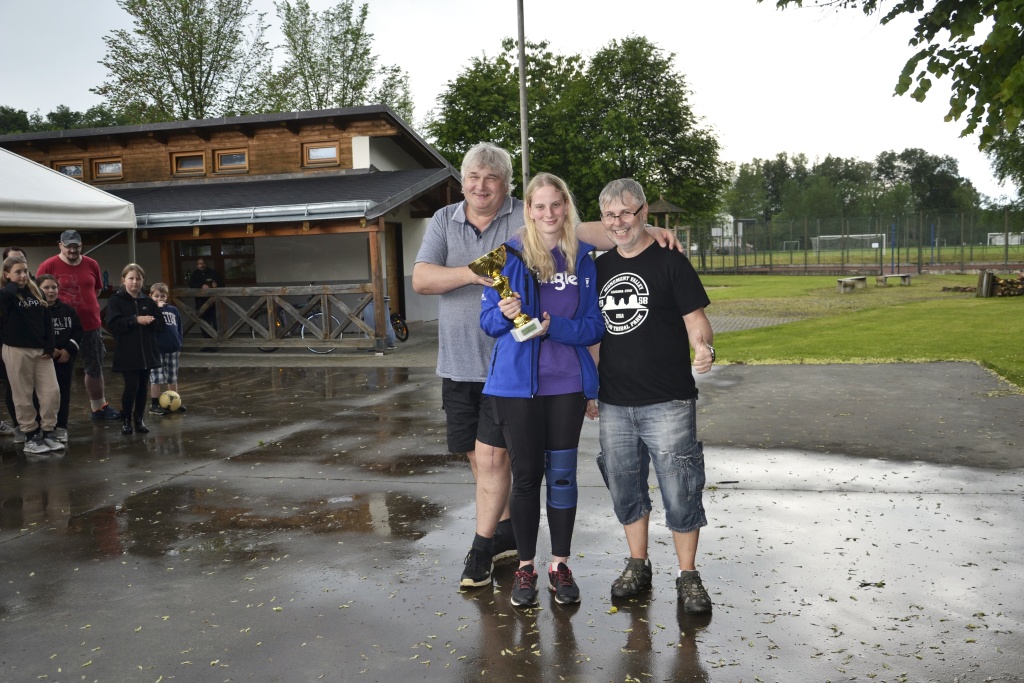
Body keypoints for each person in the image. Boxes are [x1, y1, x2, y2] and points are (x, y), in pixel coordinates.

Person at [412, 142, 683, 588]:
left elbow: (600, 236)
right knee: (490, 465)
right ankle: (507, 552)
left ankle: (538, 558)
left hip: (547, 378)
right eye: (473, 177)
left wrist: (647, 228)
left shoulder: (564, 243)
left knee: (536, 471)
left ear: (509, 189)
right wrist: (481, 275)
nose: (481, 186)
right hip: (474, 367)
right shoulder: (467, 230)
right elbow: (429, 283)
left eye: (492, 178)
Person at [592, 178, 716, 614]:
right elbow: (594, 335)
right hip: (613, 402)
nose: (618, 222)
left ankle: (688, 575)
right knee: (624, 486)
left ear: (643, 213)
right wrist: (591, 389)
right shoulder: (598, 269)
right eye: (610, 215)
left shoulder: (671, 262)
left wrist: (704, 348)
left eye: (626, 212)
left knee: (681, 488)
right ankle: (637, 564)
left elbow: (696, 321)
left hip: (668, 401)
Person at [479, 173, 603, 607]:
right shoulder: (505, 256)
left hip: (566, 383)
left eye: (556, 204)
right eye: (540, 206)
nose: (548, 213)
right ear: (528, 211)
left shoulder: (583, 258)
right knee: (527, 476)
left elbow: (595, 325)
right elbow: (487, 323)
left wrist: (555, 328)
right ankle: (527, 567)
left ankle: (560, 565)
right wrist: (504, 311)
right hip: (516, 388)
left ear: (566, 207)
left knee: (563, 476)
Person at [36, 230, 122, 420]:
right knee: (56, 368)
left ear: (81, 245)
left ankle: (98, 407)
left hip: (90, 325)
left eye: (76, 246)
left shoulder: (92, 264)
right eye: (69, 247)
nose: (73, 250)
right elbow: (38, 294)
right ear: (60, 245)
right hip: (60, 327)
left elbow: (96, 290)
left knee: (94, 365)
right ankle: (54, 413)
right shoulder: (48, 265)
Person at [0, 255, 63, 455]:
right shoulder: (7, 294)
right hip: (16, 350)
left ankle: (48, 432)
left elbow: (47, 321)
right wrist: (13, 285)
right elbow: (3, 300)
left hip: (41, 351)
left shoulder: (36, 292)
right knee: (23, 394)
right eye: (17, 272)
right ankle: (29, 436)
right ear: (6, 274)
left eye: (25, 271)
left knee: (52, 392)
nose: (23, 275)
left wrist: (50, 346)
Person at [106, 264, 165, 435]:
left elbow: (160, 324)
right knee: (131, 385)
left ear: (142, 281)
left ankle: (139, 419)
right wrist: (135, 320)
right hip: (128, 351)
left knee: (143, 387)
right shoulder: (116, 300)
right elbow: (113, 324)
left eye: (138, 279)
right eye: (131, 278)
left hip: (147, 351)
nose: (135, 282)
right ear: (123, 280)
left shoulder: (148, 301)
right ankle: (126, 419)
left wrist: (151, 321)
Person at [37, 274, 83, 443]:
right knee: (43, 394)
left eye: (54, 287)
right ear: (38, 290)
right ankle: (41, 427)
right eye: (46, 288)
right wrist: (51, 349)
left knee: (63, 393)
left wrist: (68, 350)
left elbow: (77, 331)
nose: (51, 291)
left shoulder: (68, 310)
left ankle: (61, 426)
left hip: (64, 359)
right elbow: (33, 333)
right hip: (43, 359)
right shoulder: (35, 312)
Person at [1, 246, 30, 438]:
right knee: (11, 387)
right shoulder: (5, 290)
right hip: (6, 345)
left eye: (22, 261)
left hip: (29, 345)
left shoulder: (31, 287)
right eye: (13, 261)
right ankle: (19, 426)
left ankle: (32, 426)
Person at [147, 282, 186, 416]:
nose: (159, 299)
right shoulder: (150, 310)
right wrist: (157, 309)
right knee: (156, 377)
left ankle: (174, 401)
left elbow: (179, 327)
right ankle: (154, 404)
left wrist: (179, 344)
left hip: (172, 348)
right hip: (156, 349)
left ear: (167, 296)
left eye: (162, 296)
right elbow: (150, 325)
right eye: (156, 296)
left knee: (172, 376)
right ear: (150, 296)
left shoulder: (173, 310)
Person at [189, 257, 223, 351]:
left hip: (214, 303)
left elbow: (222, 284)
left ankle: (217, 344)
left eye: (203, 263)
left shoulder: (213, 273)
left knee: (215, 323)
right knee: (204, 324)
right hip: (201, 303)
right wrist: (201, 286)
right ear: (197, 265)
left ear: (206, 264)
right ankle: (208, 345)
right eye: (199, 263)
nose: (202, 265)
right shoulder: (195, 274)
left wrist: (216, 285)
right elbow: (191, 285)